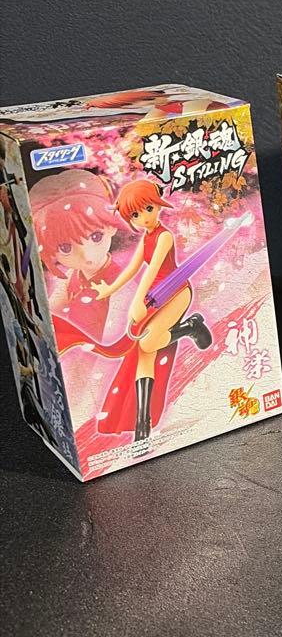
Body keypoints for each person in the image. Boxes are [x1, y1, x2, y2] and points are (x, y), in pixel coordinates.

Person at [85, 180, 212, 441]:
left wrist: (137, 300)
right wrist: (109, 289)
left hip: (175, 291)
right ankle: (142, 422)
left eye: (148, 209)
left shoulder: (164, 236)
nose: (143, 218)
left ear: (157, 205)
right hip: (154, 298)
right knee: (144, 353)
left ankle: (191, 327)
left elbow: (152, 270)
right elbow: (133, 268)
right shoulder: (146, 238)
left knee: (149, 341)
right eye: (135, 214)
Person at [30, 171, 120, 340]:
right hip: (70, 347)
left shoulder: (121, 281)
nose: (87, 256)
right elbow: (51, 313)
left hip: (105, 352)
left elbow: (116, 336)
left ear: (111, 226)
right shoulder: (71, 277)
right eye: (65, 247)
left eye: (96, 237)